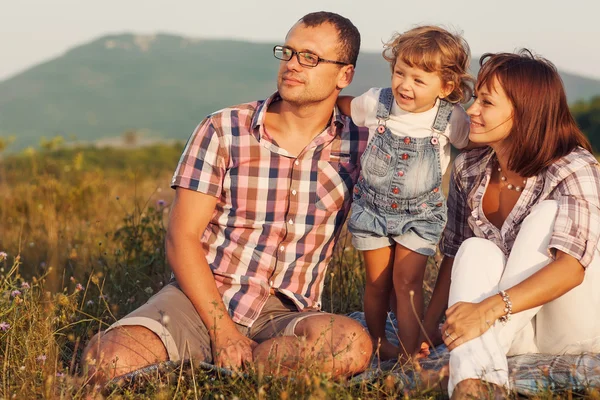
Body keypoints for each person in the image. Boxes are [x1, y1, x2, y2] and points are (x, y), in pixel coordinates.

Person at [81, 11, 373, 382]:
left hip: (287, 314)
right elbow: (181, 237)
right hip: (202, 299)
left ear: (344, 75)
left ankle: (245, 370)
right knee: (109, 362)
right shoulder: (223, 129)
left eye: (310, 58)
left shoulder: (361, 144)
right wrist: (223, 332)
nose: (292, 65)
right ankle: (228, 364)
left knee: (351, 345)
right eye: (288, 52)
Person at [422, 50, 600, 398]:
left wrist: (487, 310)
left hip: (571, 328)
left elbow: (571, 269)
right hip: (511, 335)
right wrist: (426, 335)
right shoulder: (469, 169)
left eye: (486, 102)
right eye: (476, 98)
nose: (471, 110)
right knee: (474, 248)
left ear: (524, 113)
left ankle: (466, 366)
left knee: (545, 215)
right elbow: (452, 257)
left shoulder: (573, 166)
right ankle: (476, 384)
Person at [335, 26, 473, 361]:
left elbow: (477, 140)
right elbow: (342, 104)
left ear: (447, 86)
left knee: (407, 284)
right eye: (400, 72)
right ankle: (380, 342)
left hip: (420, 215)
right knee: (377, 283)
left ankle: (412, 355)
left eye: (419, 79)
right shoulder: (377, 102)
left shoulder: (451, 119)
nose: (404, 85)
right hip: (373, 210)